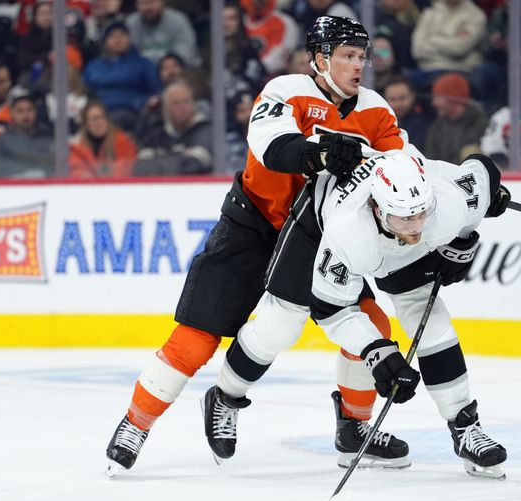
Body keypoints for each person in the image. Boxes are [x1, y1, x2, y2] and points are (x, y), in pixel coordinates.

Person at [105, 16, 416, 475]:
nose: (358, 66)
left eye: (361, 57)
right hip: (254, 225)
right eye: (347, 56)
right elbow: (271, 146)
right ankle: (137, 423)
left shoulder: (375, 110)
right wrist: (320, 153)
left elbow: (405, 168)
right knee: (197, 337)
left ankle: (354, 429)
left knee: (370, 321)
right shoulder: (285, 90)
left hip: (317, 236)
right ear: (320, 58)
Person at [203, 148, 511, 476]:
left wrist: (461, 243)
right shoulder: (348, 232)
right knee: (281, 323)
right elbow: (331, 310)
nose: (417, 226)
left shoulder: (446, 202)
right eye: (406, 217)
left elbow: (483, 171)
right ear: (377, 208)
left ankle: (464, 426)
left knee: (432, 321)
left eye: (421, 213)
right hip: (316, 227)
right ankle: (226, 395)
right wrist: (378, 354)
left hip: (394, 240)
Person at [132, 80, 213, 176]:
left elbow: (194, 165)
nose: (182, 107)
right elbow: (141, 167)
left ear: (193, 104)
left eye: (186, 101)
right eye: (176, 103)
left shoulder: (205, 130)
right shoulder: (156, 133)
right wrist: (180, 158)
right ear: (165, 108)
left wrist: (161, 160)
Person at [0, 92, 54, 178]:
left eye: (30, 110)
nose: (26, 115)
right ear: (11, 113)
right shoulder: (0, 143)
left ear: (36, 112)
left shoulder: (47, 139)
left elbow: (52, 169)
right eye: (20, 111)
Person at [424, 72, 487, 164]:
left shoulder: (479, 124)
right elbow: (430, 160)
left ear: (453, 98)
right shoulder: (437, 127)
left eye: (438, 97)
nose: (434, 103)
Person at [69, 100, 138, 179]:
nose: (99, 122)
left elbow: (125, 171)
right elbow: (77, 172)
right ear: (86, 124)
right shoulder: (78, 148)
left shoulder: (122, 142)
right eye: (94, 119)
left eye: (102, 117)